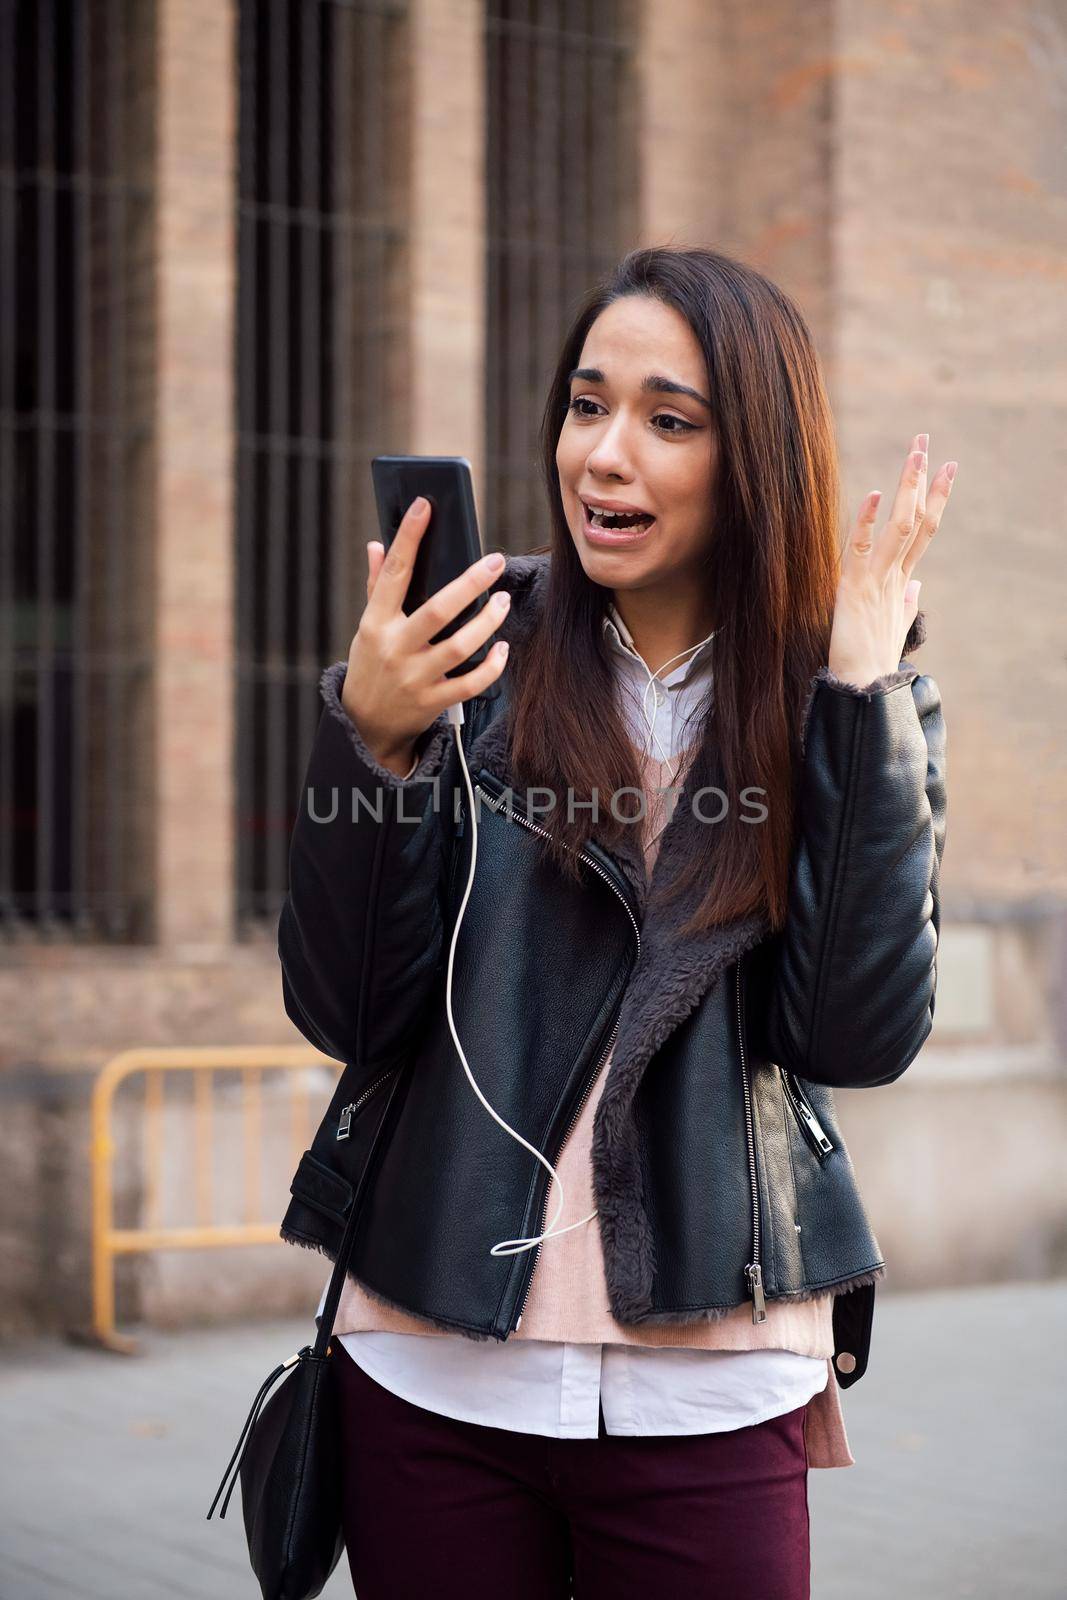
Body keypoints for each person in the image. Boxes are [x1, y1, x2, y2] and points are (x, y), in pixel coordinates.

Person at [277, 245, 952, 1599]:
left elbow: (855, 1032)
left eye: (668, 419)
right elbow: (348, 1011)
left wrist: (863, 702)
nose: (604, 455)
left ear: (751, 452)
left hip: (715, 1373)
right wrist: (375, 743)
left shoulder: (838, 687)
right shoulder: (465, 653)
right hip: (432, 1360)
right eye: (587, 406)